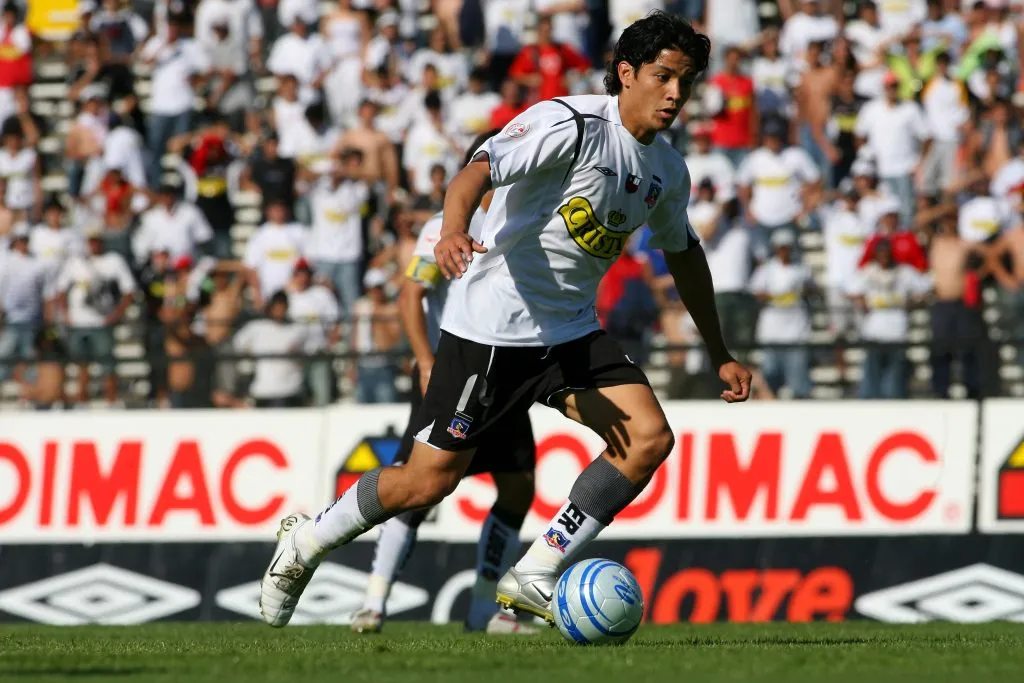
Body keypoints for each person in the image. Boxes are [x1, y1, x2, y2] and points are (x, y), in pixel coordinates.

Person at [259, 12, 751, 628]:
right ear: (626, 74)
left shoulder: (668, 171)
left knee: (648, 438)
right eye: (664, 76)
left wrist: (719, 351)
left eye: (687, 81)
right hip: (491, 328)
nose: (676, 93)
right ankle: (306, 542)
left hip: (569, 333)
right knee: (427, 482)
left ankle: (536, 570)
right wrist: (453, 230)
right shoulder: (570, 124)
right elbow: (477, 169)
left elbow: (684, 254)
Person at [350, 131, 539, 636]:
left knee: (518, 486)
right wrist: (424, 360)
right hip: (451, 373)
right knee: (415, 486)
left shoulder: (521, 221)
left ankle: (483, 608)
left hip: (503, 371)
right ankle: (374, 602)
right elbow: (410, 296)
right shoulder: (443, 226)